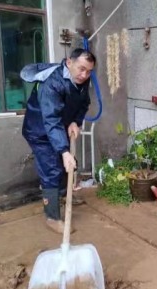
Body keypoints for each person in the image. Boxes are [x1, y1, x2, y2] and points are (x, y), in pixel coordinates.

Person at [20, 48, 96, 234]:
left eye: (88, 71)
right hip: (40, 131)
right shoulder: (51, 84)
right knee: (52, 169)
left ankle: (61, 197)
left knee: (65, 166)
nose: (84, 74)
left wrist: (75, 122)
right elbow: (51, 119)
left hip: (59, 128)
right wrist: (63, 151)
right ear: (69, 62)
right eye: (81, 68)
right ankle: (52, 217)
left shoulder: (81, 79)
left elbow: (84, 102)